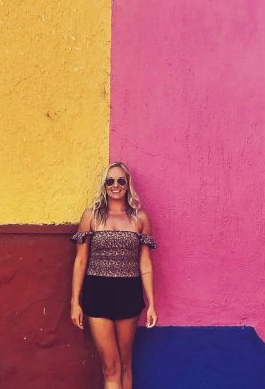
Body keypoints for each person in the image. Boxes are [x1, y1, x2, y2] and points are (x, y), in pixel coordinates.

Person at [70, 162, 156, 389]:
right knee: (110, 366)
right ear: (104, 185)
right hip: (96, 292)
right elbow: (80, 260)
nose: (115, 185)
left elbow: (145, 262)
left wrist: (151, 303)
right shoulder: (91, 216)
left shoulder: (140, 218)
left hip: (129, 292)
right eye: (110, 181)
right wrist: (74, 302)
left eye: (120, 181)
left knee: (125, 363)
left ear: (127, 185)